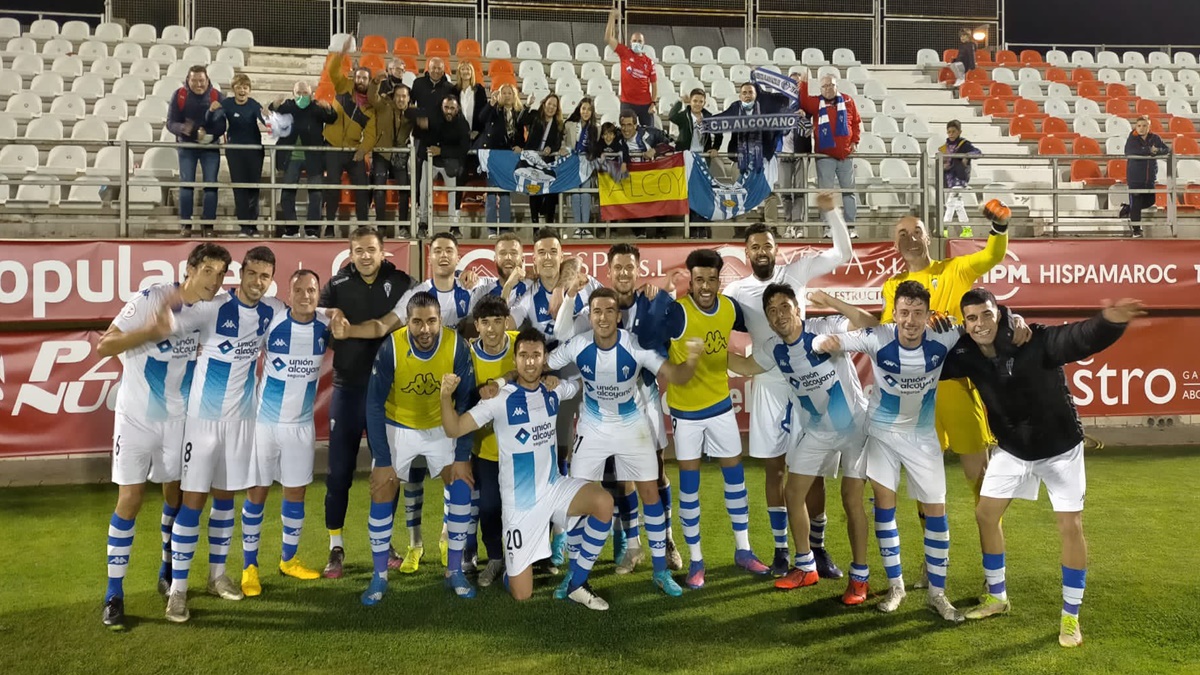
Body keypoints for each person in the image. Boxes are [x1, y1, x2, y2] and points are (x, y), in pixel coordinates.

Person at [943, 289, 1144, 647]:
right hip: (1013, 450)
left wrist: (1110, 323)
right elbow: (923, 356)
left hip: (1059, 449)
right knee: (986, 515)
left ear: (999, 314)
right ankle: (997, 597)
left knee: (1070, 526)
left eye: (986, 315)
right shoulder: (964, 353)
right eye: (971, 318)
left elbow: (1078, 338)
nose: (979, 324)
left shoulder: (1035, 339)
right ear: (965, 323)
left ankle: (1071, 618)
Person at [810, 280, 967, 622]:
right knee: (885, 509)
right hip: (882, 433)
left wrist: (1009, 320)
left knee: (936, 512)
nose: (911, 321)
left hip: (923, 436)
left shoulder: (945, 335)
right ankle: (896, 587)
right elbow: (834, 341)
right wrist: (821, 342)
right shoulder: (878, 337)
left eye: (918, 313)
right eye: (905, 313)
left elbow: (981, 322)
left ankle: (938, 594)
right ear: (894, 314)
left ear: (929, 315)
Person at [97, 243, 231, 630]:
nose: (215, 280)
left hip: (179, 421)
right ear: (189, 269)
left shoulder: (215, 306)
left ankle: (168, 567)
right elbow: (105, 345)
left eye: (221, 273)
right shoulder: (151, 297)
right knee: (131, 500)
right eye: (208, 271)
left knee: (175, 494)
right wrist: (150, 331)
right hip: (137, 419)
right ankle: (113, 593)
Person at [882, 200, 1014, 588]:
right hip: (918, 397)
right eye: (901, 234)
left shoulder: (954, 270)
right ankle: (932, 564)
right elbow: (890, 335)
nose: (909, 238)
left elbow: (993, 253)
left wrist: (1000, 227)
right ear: (895, 244)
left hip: (958, 388)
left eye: (915, 231)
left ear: (929, 236)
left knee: (980, 478)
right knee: (925, 485)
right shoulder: (893, 289)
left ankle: (994, 569)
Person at [722, 193, 852, 579]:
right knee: (775, 469)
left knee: (812, 471)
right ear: (746, 253)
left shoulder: (795, 273)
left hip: (809, 383)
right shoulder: (736, 292)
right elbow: (710, 324)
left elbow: (842, 252)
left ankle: (817, 548)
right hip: (766, 381)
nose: (762, 250)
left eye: (768, 245)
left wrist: (831, 211)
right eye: (754, 246)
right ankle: (782, 549)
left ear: (778, 250)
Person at [441, 328, 615, 609]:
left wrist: (560, 376)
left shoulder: (553, 390)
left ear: (545, 358)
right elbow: (454, 428)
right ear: (515, 359)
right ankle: (514, 569)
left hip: (553, 488)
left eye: (536, 355)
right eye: (524, 355)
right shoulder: (499, 399)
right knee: (522, 594)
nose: (530, 362)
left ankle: (576, 583)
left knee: (603, 502)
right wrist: (444, 397)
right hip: (520, 506)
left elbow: (578, 384)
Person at [727, 285, 876, 605]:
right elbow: (744, 366)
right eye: (772, 311)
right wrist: (699, 347)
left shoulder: (825, 328)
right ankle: (806, 566)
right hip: (818, 432)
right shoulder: (772, 348)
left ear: (798, 309)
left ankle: (859, 577)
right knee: (793, 493)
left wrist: (831, 301)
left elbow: (868, 323)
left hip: (854, 428)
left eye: (785, 307)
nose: (780, 315)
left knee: (851, 500)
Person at [548, 289, 703, 597]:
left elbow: (675, 374)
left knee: (650, 493)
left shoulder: (634, 346)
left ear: (618, 316)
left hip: (632, 428)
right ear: (589, 316)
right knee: (580, 498)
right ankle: (576, 576)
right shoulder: (578, 345)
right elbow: (542, 363)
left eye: (609, 311)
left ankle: (659, 572)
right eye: (597, 312)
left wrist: (694, 358)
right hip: (592, 428)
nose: (603, 317)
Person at [165, 246, 286, 623]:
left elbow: (310, 313)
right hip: (201, 422)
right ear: (241, 274)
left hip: (241, 424)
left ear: (271, 279)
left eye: (265, 276)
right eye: (252, 273)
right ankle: (178, 591)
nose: (257, 282)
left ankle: (217, 575)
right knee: (193, 503)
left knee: (225, 502)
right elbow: (170, 312)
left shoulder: (273, 312)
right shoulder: (213, 307)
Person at [360, 291, 477, 605]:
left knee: (462, 486)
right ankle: (379, 576)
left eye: (431, 321)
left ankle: (454, 571)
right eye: (417, 322)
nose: (425, 329)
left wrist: (463, 456)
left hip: (442, 425)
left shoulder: (456, 346)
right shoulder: (392, 348)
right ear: (408, 321)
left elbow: (467, 402)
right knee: (382, 488)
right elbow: (373, 405)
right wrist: (382, 459)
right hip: (398, 426)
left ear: (440, 319)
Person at [664, 249, 771, 589]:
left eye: (712, 279)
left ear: (718, 279)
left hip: (722, 406)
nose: (706, 286)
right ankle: (696, 560)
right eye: (699, 280)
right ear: (690, 280)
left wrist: (761, 364)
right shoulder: (676, 313)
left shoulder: (728, 309)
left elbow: (726, 354)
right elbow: (651, 348)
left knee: (735, 477)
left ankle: (743, 550)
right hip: (686, 414)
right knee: (691, 486)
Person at [319, 226, 415, 578]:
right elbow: (321, 315)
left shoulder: (403, 282)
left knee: (387, 473)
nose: (365, 256)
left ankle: (384, 543)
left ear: (382, 251)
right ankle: (335, 548)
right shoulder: (336, 286)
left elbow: (408, 315)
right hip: (347, 389)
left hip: (388, 394)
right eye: (358, 250)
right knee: (338, 473)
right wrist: (332, 317)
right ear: (351, 253)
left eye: (371, 250)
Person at [239, 269, 330, 597]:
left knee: (296, 495)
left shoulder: (326, 324)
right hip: (265, 425)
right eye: (299, 290)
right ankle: (249, 567)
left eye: (312, 290)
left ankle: (288, 560)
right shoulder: (273, 321)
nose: (306, 296)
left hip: (301, 428)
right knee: (257, 494)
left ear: (319, 294)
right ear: (288, 295)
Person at [456, 296, 519, 587]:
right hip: (486, 451)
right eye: (485, 323)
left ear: (507, 322)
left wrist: (504, 379)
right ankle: (495, 558)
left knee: (523, 506)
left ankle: (527, 558)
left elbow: (535, 366)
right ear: (476, 325)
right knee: (490, 507)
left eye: (497, 321)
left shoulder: (521, 344)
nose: (492, 329)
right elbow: (463, 405)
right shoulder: (467, 355)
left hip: (522, 448)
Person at [716, 82, 791, 224]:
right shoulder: (735, 108)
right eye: (744, 93)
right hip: (740, 161)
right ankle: (741, 228)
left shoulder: (766, 111)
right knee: (738, 194)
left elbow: (782, 122)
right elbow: (718, 120)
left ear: (756, 95)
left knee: (769, 194)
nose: (747, 96)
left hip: (763, 162)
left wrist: (793, 116)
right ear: (740, 96)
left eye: (750, 92)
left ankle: (771, 226)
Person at [797, 73, 861, 238]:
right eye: (824, 86)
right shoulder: (816, 102)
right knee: (825, 193)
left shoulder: (848, 100)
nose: (828, 89)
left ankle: (851, 227)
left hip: (846, 155)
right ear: (820, 88)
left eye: (831, 85)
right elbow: (803, 101)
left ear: (836, 86)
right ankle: (828, 228)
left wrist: (855, 141)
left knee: (849, 192)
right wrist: (804, 83)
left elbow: (855, 122)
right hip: (824, 156)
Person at [166, 65, 226, 237]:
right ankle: (186, 225)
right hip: (187, 146)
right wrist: (189, 130)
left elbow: (222, 124)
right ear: (188, 79)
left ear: (207, 80)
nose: (198, 84)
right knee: (186, 184)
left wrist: (210, 134)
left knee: (211, 185)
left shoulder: (217, 96)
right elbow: (171, 123)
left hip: (210, 147)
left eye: (201, 80)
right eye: (194, 80)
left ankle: (208, 226)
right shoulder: (179, 95)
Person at [270, 81, 336, 238]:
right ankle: (291, 230)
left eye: (305, 93)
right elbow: (273, 110)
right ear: (293, 94)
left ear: (311, 94)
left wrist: (328, 108)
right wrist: (274, 104)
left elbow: (333, 118)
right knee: (287, 194)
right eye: (298, 93)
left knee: (316, 194)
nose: (302, 96)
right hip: (291, 157)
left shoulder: (316, 107)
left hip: (314, 157)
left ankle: (312, 230)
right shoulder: (289, 106)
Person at [322, 43, 376, 233]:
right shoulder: (343, 86)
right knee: (332, 187)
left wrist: (362, 151)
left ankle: (363, 228)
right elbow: (333, 69)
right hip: (333, 147)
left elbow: (371, 133)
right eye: (359, 76)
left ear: (369, 81)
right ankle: (329, 226)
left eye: (365, 78)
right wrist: (341, 54)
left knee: (362, 188)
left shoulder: (371, 106)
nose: (361, 80)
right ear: (354, 77)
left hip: (354, 151)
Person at [668, 88, 723, 238]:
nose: (697, 104)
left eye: (700, 101)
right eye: (695, 101)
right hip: (686, 158)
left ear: (705, 102)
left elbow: (719, 134)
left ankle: (702, 227)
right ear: (690, 101)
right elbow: (671, 116)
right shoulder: (684, 116)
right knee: (690, 193)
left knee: (703, 193)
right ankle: (692, 228)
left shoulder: (709, 117)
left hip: (703, 158)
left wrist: (714, 148)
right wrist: (680, 101)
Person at [414, 95, 471, 234]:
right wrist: (419, 125)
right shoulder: (432, 118)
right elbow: (418, 135)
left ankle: (454, 225)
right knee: (424, 191)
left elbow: (464, 148)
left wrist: (442, 151)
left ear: (457, 109)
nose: (449, 111)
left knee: (454, 193)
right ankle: (423, 223)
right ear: (442, 107)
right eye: (446, 107)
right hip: (429, 159)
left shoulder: (462, 124)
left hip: (450, 161)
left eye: (452, 108)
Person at [221, 74, 266, 237]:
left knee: (253, 188)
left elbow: (265, 119)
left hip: (255, 152)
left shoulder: (254, 104)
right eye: (239, 87)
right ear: (233, 89)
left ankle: (253, 225)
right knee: (240, 188)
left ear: (249, 90)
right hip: (235, 152)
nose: (242, 90)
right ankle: (243, 226)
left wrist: (268, 115)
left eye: (245, 87)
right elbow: (214, 120)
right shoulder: (226, 104)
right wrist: (212, 111)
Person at [368, 82, 414, 236]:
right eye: (398, 96)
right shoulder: (384, 106)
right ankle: (381, 226)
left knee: (404, 190)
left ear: (408, 98)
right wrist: (375, 83)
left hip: (400, 155)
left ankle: (403, 227)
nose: (401, 99)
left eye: (404, 96)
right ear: (393, 97)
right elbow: (372, 97)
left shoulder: (412, 113)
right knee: (379, 189)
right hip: (382, 152)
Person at [478, 83, 525, 230]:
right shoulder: (495, 110)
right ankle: (491, 229)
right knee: (492, 192)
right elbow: (481, 118)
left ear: (514, 95)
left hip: (509, 157)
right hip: (493, 156)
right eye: (503, 93)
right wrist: (491, 104)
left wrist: (521, 147)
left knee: (505, 193)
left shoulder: (519, 112)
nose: (506, 96)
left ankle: (504, 228)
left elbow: (521, 135)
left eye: (509, 93)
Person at [604, 7, 658, 128]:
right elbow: (608, 38)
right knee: (625, 131)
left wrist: (653, 103)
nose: (637, 43)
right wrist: (612, 17)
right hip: (627, 103)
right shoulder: (625, 53)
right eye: (634, 40)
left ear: (644, 43)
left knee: (649, 133)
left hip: (645, 104)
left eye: (639, 41)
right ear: (630, 42)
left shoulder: (649, 62)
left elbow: (654, 84)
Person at [520, 93, 567, 223]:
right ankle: (535, 224)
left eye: (554, 105)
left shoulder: (558, 124)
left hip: (548, 162)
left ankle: (549, 222)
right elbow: (521, 120)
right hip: (532, 160)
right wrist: (527, 105)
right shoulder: (535, 116)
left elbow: (557, 142)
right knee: (534, 191)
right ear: (544, 104)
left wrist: (550, 148)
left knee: (551, 191)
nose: (551, 107)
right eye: (549, 104)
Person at [1122, 115, 1170, 238]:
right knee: (1137, 202)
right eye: (1139, 126)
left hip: (1150, 178)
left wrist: (1156, 151)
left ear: (1149, 127)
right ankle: (1136, 230)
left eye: (1144, 126)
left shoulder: (1155, 137)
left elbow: (1166, 149)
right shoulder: (1132, 138)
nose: (1141, 128)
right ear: (1135, 127)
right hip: (1135, 177)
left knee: (1150, 201)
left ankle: (1129, 209)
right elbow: (1129, 151)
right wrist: (1149, 150)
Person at [779, 72, 814, 236]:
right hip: (783, 153)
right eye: (792, 82)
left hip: (801, 152)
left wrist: (804, 115)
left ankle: (798, 225)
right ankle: (789, 224)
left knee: (800, 190)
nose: (795, 85)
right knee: (785, 191)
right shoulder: (780, 102)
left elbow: (814, 116)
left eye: (798, 83)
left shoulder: (805, 103)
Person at [565, 97, 601, 235]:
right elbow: (563, 142)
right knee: (575, 194)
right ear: (579, 109)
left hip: (587, 162)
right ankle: (577, 227)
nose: (586, 112)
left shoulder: (596, 128)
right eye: (583, 108)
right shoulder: (570, 125)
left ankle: (585, 227)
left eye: (589, 109)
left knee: (586, 194)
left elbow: (597, 148)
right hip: (572, 162)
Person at [941, 120, 982, 231]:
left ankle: (943, 228)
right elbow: (942, 161)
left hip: (959, 179)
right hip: (949, 179)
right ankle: (967, 229)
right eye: (949, 132)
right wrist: (944, 164)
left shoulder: (965, 144)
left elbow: (978, 152)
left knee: (950, 203)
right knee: (958, 205)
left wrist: (966, 156)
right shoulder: (945, 147)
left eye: (953, 131)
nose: (951, 134)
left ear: (959, 131)